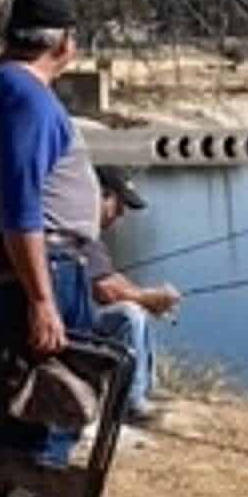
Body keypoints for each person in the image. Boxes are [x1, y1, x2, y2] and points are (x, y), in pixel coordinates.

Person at [0, 0, 101, 470]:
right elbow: (21, 205)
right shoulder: (26, 95)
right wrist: (41, 299)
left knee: (9, 421)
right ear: (64, 43)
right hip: (41, 271)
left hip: (5, 268)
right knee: (48, 418)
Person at [83, 166, 181, 424]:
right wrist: (146, 299)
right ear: (101, 195)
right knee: (129, 315)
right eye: (120, 204)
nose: (122, 214)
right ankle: (130, 404)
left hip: (78, 317)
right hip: (68, 323)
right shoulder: (79, 233)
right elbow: (105, 290)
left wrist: (149, 298)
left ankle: (145, 390)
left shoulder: (91, 237)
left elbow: (111, 278)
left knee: (136, 309)